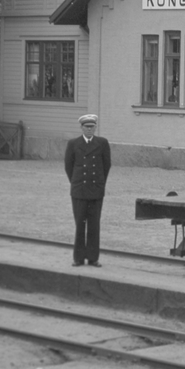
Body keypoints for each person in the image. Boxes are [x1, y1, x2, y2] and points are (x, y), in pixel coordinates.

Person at [64, 113, 111, 267]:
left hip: (96, 190)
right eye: (86, 127)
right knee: (80, 224)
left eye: (92, 127)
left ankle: (93, 258)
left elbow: (106, 166)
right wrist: (76, 183)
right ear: (81, 128)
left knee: (94, 224)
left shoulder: (102, 143)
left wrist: (99, 183)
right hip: (79, 190)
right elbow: (68, 167)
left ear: (95, 127)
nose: (89, 130)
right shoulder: (73, 143)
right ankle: (78, 258)